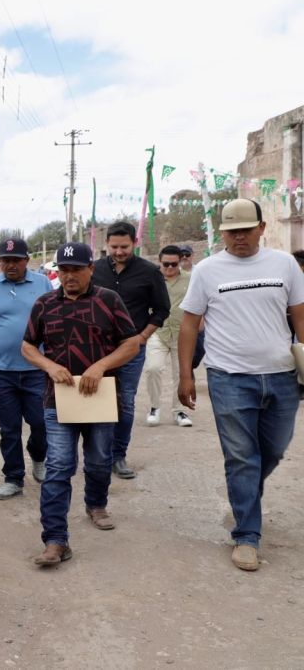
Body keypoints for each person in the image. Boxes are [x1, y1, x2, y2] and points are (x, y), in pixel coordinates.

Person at [177, 198, 304, 572]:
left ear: (262, 228)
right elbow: (188, 324)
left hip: (281, 375)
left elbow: (299, 315)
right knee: (241, 457)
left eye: (246, 230)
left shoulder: (284, 265)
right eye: (231, 232)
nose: (239, 238)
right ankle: (247, 535)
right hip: (228, 377)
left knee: (274, 451)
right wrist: (186, 374)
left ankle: (245, 489)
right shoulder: (207, 270)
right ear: (222, 234)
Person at [23, 243, 139, 567]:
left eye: (76, 269)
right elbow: (27, 346)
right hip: (59, 398)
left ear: (91, 268)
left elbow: (131, 343)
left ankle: (96, 503)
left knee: (100, 459)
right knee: (59, 466)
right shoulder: (44, 304)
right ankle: (56, 540)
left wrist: (101, 365)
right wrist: (49, 366)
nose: (69, 275)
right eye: (64, 269)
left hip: (100, 396)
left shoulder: (108, 301)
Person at [91, 221, 170, 479]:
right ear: (106, 245)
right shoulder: (95, 270)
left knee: (124, 402)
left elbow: (161, 310)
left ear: (134, 243)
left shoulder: (149, 272)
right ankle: (96, 455)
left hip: (131, 350)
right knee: (96, 400)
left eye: (124, 246)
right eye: (114, 247)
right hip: (97, 349)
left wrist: (143, 337)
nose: (119, 251)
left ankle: (118, 455)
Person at [0, 238, 53, 500]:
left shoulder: (43, 284)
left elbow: (53, 323)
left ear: (26, 261)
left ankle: (38, 456)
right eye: (5, 260)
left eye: (15, 260)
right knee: (9, 429)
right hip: (1, 370)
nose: (9, 265)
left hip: (36, 369)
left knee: (40, 423)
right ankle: (13, 477)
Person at [143, 245, 193, 427]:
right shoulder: (151, 280)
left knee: (181, 373)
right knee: (153, 369)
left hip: (183, 333)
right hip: (158, 331)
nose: (170, 268)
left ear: (180, 262)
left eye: (174, 264)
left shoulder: (191, 280)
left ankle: (180, 410)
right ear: (159, 261)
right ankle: (155, 406)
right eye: (166, 264)